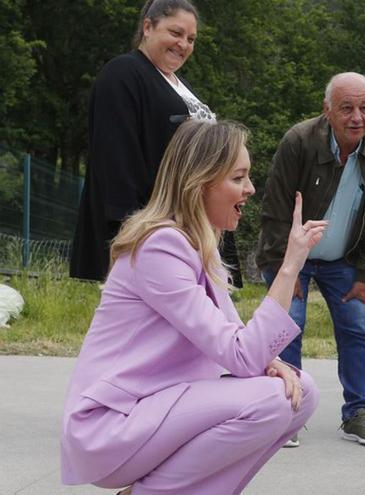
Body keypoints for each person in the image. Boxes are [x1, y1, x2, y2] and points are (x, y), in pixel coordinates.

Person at [61, 119, 323, 495]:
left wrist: (270, 361)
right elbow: (242, 356)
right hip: (112, 425)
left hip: (156, 411)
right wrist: (290, 266)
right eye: (239, 177)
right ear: (199, 183)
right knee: (272, 398)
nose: (250, 189)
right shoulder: (160, 246)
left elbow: (240, 345)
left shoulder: (199, 248)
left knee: (302, 390)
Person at [256, 72, 365, 448]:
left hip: (344, 258)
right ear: (327, 110)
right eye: (346, 108)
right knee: (288, 322)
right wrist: (286, 271)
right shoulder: (298, 141)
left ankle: (357, 413)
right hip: (295, 253)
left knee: (356, 323)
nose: (357, 117)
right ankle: (285, 412)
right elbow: (273, 211)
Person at [70, 0, 243, 286]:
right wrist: (129, 231)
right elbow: (115, 161)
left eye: (191, 39)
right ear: (147, 27)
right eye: (175, 33)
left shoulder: (180, 84)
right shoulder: (123, 74)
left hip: (196, 227)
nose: (184, 45)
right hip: (155, 233)